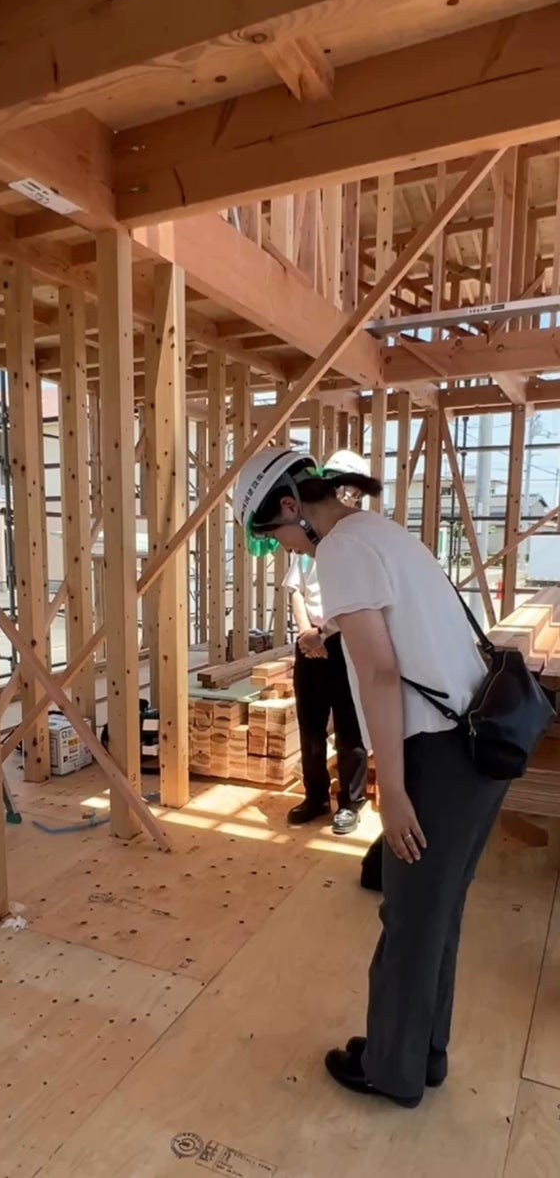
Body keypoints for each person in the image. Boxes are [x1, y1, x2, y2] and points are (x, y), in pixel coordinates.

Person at [233, 448, 508, 1109]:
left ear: (292, 507)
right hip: (477, 746)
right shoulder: (378, 531)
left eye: (275, 536)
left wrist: (394, 790)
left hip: (438, 753)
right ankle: (421, 1055)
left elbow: (381, 675)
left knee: (409, 919)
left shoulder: (340, 551)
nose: (284, 550)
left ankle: (391, 1071)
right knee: (436, 915)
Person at [283, 450, 368, 836]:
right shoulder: (310, 535)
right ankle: (315, 796)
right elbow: (295, 590)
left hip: (345, 643)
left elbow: (358, 600)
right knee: (311, 725)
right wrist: (306, 633)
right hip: (310, 643)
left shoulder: (359, 541)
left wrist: (323, 634)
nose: (342, 496)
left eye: (349, 490)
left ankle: (351, 802)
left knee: (350, 726)